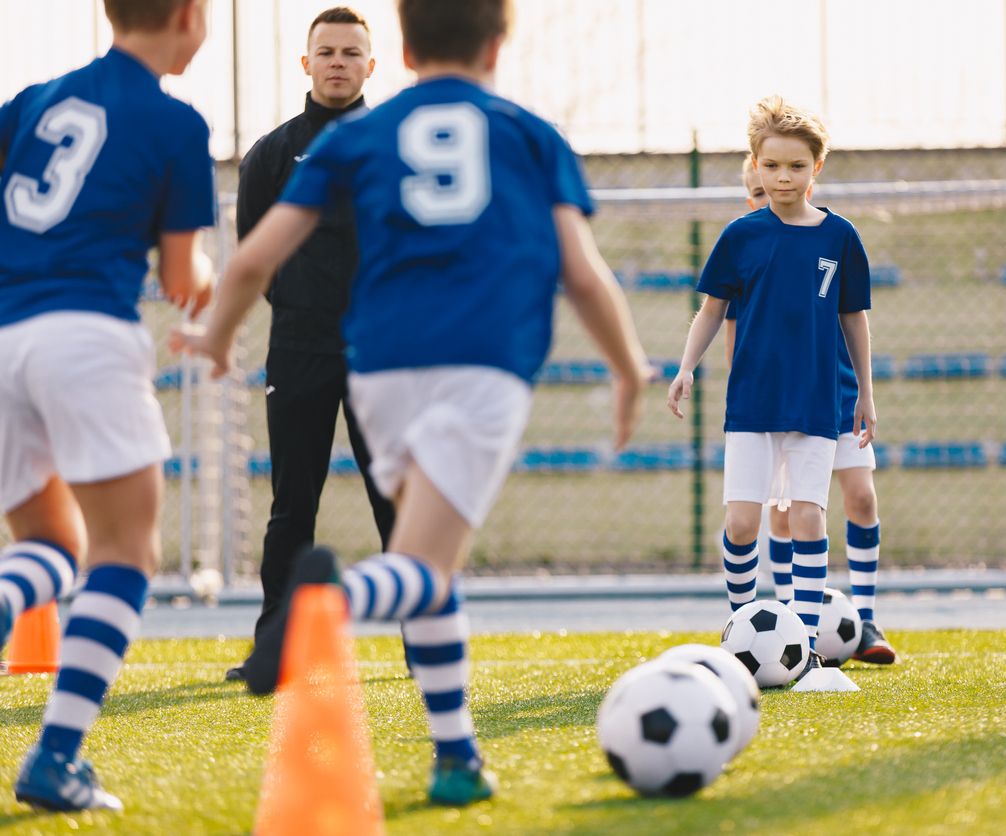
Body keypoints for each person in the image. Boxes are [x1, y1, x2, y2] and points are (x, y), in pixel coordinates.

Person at [173, 0, 650, 806]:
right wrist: (629, 368)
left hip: (380, 365)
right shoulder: (527, 134)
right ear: (499, 42)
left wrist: (217, 335)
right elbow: (580, 270)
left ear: (395, 46)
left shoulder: (356, 138)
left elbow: (253, 255)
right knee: (425, 564)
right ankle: (328, 600)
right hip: (478, 363)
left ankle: (457, 755)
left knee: (433, 558)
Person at [0, 0, 215, 811]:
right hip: (84, 333)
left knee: (53, 543)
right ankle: (55, 759)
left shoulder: (37, 98)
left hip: (4, 330)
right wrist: (209, 288)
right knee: (123, 555)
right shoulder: (174, 122)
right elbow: (179, 274)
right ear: (190, 16)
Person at [667, 96, 874, 678]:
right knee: (741, 524)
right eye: (772, 166)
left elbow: (854, 317)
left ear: (817, 169)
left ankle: (806, 649)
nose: (783, 177)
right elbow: (712, 311)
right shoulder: (740, 236)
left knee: (809, 518)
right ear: (755, 166)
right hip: (753, 404)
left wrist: (865, 391)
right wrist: (685, 367)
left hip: (813, 404)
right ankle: (739, 633)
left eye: (796, 166)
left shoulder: (840, 238)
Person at [225, 5, 396, 684]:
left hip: (382, 354)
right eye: (326, 51)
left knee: (397, 499)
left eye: (351, 53)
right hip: (299, 348)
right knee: (293, 501)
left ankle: (425, 643)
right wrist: (301, 312)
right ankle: (277, 642)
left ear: (370, 65)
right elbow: (253, 254)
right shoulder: (272, 153)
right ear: (306, 62)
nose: (337, 62)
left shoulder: (395, 146)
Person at [724, 154, 896, 665]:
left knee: (860, 497)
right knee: (781, 512)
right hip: (773, 402)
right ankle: (783, 629)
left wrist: (864, 390)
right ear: (750, 197)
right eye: (756, 190)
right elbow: (732, 334)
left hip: (833, 391)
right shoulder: (749, 251)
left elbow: (853, 316)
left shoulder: (828, 240)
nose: (768, 192)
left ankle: (863, 619)